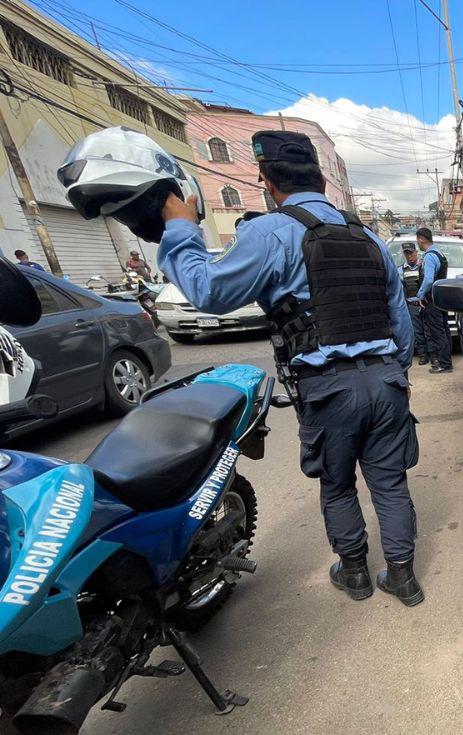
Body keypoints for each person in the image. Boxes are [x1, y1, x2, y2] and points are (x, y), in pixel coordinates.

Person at [157, 129, 425, 607]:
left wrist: (180, 227)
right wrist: (395, 375)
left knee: (338, 484)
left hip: (328, 388)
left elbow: (208, 292)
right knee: (390, 482)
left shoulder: (267, 233)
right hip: (386, 379)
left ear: (265, 181)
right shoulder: (368, 238)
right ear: (322, 179)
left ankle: (356, 574)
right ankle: (402, 577)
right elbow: (399, 320)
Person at [415, 227, 451, 374]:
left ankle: (444, 364)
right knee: (444, 330)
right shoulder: (439, 253)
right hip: (441, 298)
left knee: (437, 332)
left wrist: (421, 295)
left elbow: (429, 279)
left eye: (417, 240)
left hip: (433, 300)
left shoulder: (430, 256)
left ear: (420, 239)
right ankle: (447, 362)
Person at [400, 242, 427, 366]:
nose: (409, 256)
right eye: (407, 254)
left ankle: (434, 355)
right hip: (412, 305)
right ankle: (423, 355)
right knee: (417, 332)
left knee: (429, 330)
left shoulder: (423, 266)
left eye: (411, 253)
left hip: (426, 304)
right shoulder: (400, 270)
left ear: (416, 253)